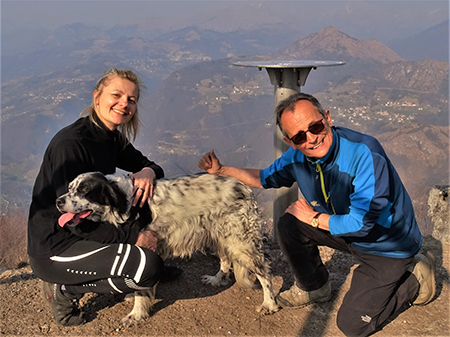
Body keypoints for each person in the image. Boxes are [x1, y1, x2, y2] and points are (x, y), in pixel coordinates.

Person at [198, 92, 436, 337]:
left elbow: (362, 223)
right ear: (290, 141)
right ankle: (314, 287)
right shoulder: (298, 157)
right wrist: (222, 170)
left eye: (315, 126)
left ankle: (417, 279)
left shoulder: (364, 153)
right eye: (300, 136)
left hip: (387, 246)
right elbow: (264, 178)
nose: (311, 138)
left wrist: (313, 218)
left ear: (328, 118)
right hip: (348, 233)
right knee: (289, 224)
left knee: (353, 325)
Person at [28, 68, 182, 326]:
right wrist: (135, 237)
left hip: (88, 231)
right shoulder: (72, 144)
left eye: (132, 99)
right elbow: (74, 222)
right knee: (149, 269)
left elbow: (151, 166)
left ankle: (132, 263)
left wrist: (147, 171)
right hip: (58, 247)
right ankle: (66, 289)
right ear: (97, 97)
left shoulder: (110, 138)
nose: (125, 103)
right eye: (117, 95)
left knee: (142, 207)